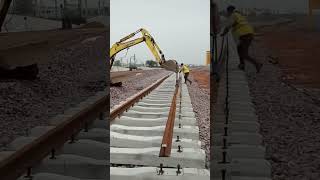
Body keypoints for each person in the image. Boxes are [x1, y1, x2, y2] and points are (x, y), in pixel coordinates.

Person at [221, 5, 263, 73]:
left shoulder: (233, 15)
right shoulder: (239, 15)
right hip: (247, 34)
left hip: (246, 35)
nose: (227, 13)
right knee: (239, 49)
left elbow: (228, 26)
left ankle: (257, 64)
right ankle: (242, 65)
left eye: (227, 12)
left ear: (229, 11)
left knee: (244, 54)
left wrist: (223, 34)